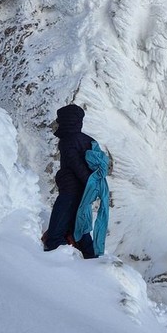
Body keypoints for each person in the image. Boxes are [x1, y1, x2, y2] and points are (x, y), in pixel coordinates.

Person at [42, 104, 111, 259]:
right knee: (78, 227)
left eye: (60, 120)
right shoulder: (88, 140)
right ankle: (91, 258)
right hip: (83, 192)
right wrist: (90, 186)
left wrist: (88, 182)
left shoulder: (67, 140)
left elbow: (75, 165)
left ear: (67, 121)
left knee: (55, 234)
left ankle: (54, 263)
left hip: (70, 191)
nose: (57, 122)